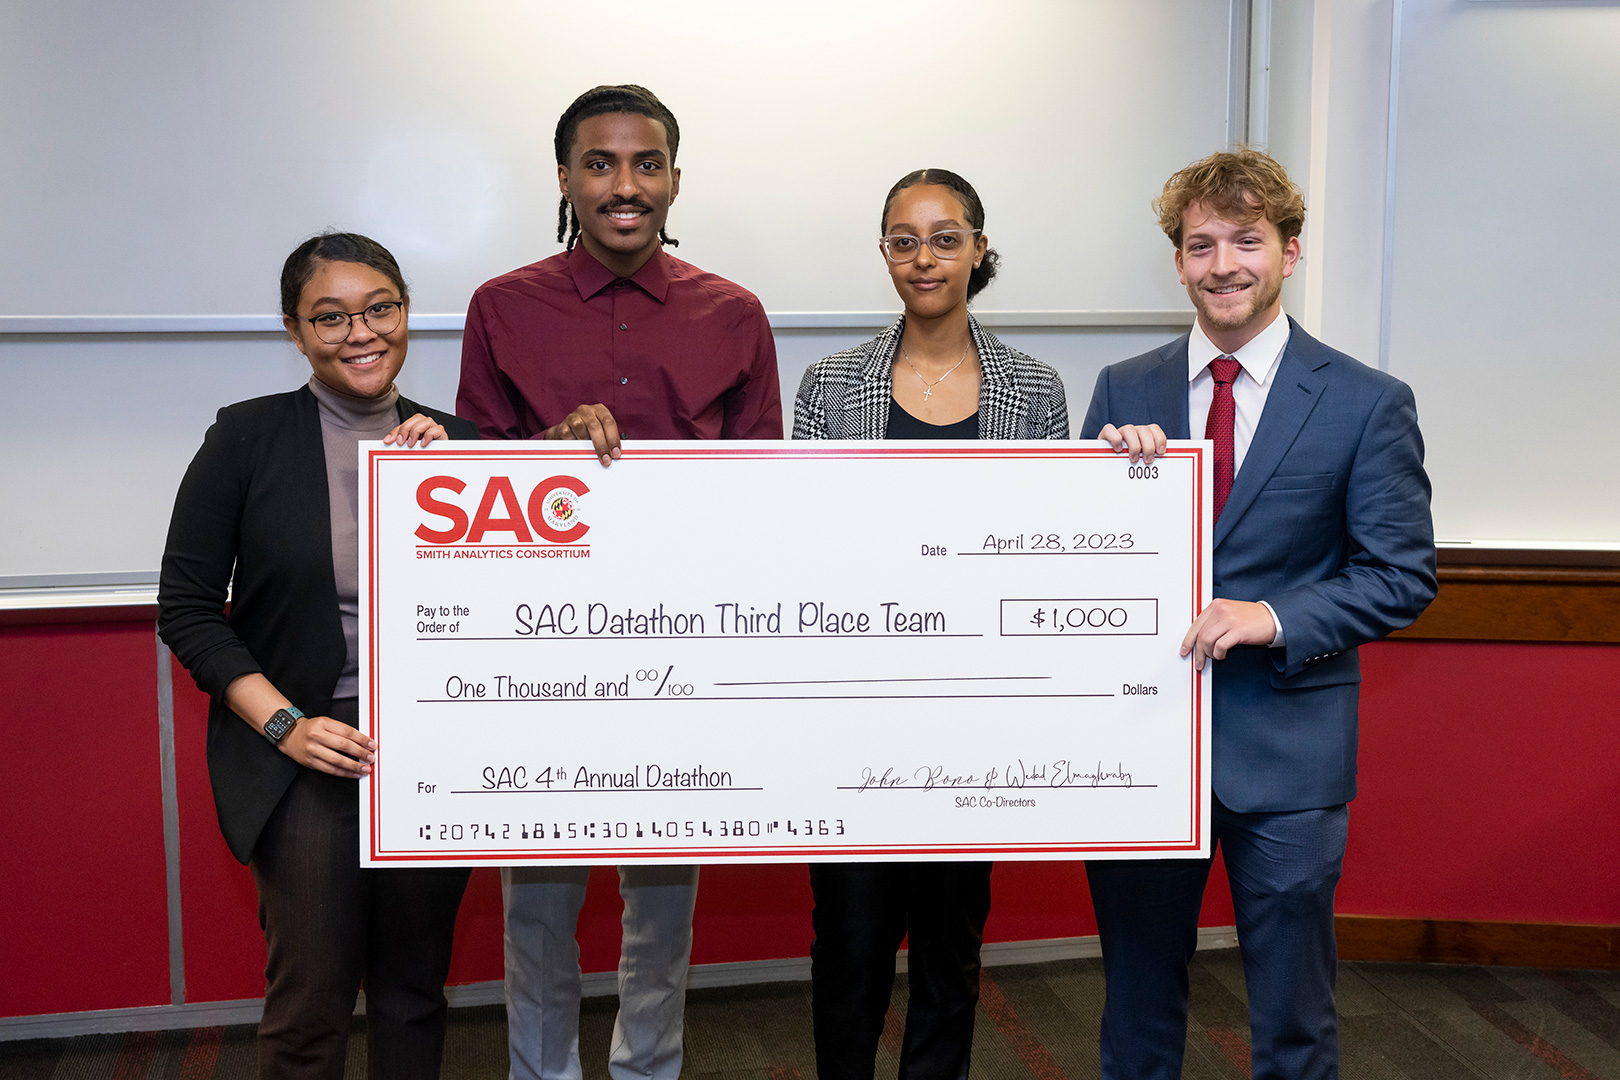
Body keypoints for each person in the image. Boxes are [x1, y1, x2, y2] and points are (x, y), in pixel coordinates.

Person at [1079, 149, 1436, 1080]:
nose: (1224, 264)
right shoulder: (1125, 391)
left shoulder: (1366, 402)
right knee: (1136, 1007)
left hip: (1288, 752)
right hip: (1141, 749)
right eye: (1202, 245)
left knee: (1290, 1016)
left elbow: (1399, 574)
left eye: (1247, 240)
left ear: (1291, 251)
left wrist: (1270, 616)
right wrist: (1106, 481)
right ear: (1178, 262)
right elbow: (1077, 563)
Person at [455, 84, 782, 1080]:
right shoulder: (501, 308)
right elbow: (465, 486)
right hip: (542, 655)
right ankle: (540, 1072)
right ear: (566, 179)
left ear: (675, 179)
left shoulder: (735, 315)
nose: (624, 185)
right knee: (541, 900)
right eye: (600, 164)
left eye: (646, 164)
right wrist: (538, 463)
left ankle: (650, 1071)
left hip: (680, 656)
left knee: (662, 901)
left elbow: (765, 492)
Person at [158, 232, 476, 1080]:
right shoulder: (245, 439)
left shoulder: (465, 446)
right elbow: (188, 612)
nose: (360, 332)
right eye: (328, 317)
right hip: (305, 747)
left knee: (414, 992)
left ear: (407, 314)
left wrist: (470, 487)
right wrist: (287, 725)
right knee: (311, 1003)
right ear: (296, 332)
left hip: (434, 745)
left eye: (380, 308)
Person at [794, 168, 1068, 1078]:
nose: (924, 257)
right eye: (903, 239)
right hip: (857, 723)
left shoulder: (1035, 389)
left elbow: (1050, 553)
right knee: (853, 950)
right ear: (884, 253)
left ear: (979, 250)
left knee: (951, 954)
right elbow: (805, 553)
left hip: (975, 729)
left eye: (945, 237)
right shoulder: (831, 387)